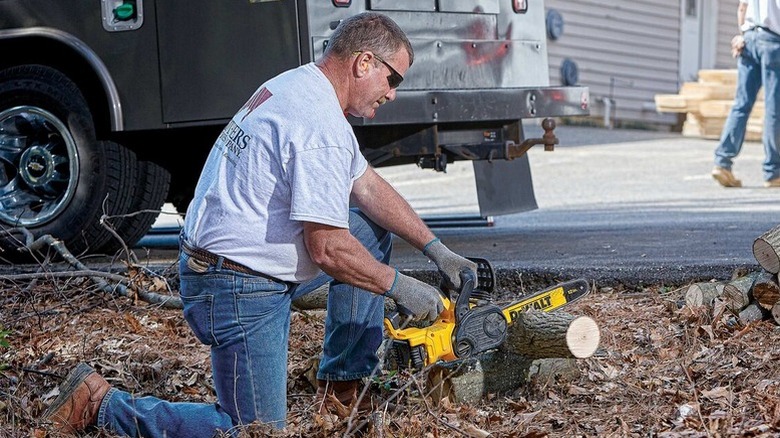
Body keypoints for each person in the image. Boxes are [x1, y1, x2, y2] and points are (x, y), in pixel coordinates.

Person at [42, 12, 476, 437]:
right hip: (234, 284)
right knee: (253, 430)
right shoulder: (317, 124)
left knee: (367, 228)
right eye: (393, 79)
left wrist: (435, 248)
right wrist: (401, 286)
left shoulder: (302, 86)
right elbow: (327, 248)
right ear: (364, 63)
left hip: (240, 264)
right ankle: (99, 406)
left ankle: (342, 384)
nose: (393, 93)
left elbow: (366, 185)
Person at [712, 0, 780, 188]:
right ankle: (773, 171)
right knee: (774, 109)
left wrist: (743, 34)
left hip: (749, 39)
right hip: (774, 41)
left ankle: (722, 162)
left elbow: (742, 6)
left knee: (741, 104)